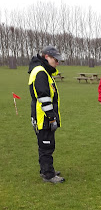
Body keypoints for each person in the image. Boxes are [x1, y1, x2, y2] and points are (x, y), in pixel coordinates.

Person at [28, 45, 65, 183]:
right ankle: (48, 175)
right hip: (43, 116)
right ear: (46, 57)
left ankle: (46, 169)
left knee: (46, 145)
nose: (57, 62)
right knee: (46, 145)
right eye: (55, 59)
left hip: (42, 115)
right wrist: (51, 117)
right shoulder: (40, 72)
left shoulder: (43, 71)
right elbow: (43, 97)